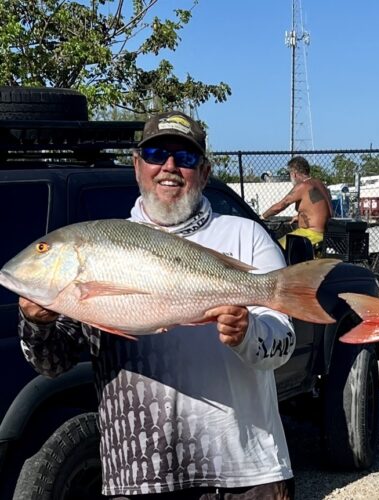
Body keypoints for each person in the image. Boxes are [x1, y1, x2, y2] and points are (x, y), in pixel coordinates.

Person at [18, 111, 296, 499]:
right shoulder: (100, 246)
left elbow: (284, 344)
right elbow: (53, 364)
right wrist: (37, 324)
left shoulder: (244, 236)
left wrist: (249, 333)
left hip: (243, 475)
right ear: (137, 165)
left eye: (184, 158)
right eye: (155, 154)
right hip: (137, 477)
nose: (169, 167)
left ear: (204, 171)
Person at [261, 156, 332, 250]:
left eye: (289, 174)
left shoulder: (303, 186)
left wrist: (262, 216)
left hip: (311, 235)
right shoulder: (319, 183)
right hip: (325, 233)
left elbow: (280, 206)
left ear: (294, 174)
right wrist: (300, 217)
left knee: (275, 248)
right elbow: (317, 207)